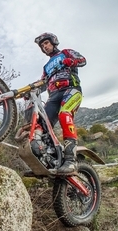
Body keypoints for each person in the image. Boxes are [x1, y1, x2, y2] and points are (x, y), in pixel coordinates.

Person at [34, 32, 86, 174]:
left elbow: (83, 60)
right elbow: (42, 83)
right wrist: (32, 88)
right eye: (42, 46)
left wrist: (72, 61)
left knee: (64, 115)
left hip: (71, 90)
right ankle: (49, 156)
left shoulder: (65, 52)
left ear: (53, 42)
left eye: (46, 43)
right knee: (41, 125)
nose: (44, 47)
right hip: (53, 96)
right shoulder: (46, 67)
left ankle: (71, 160)